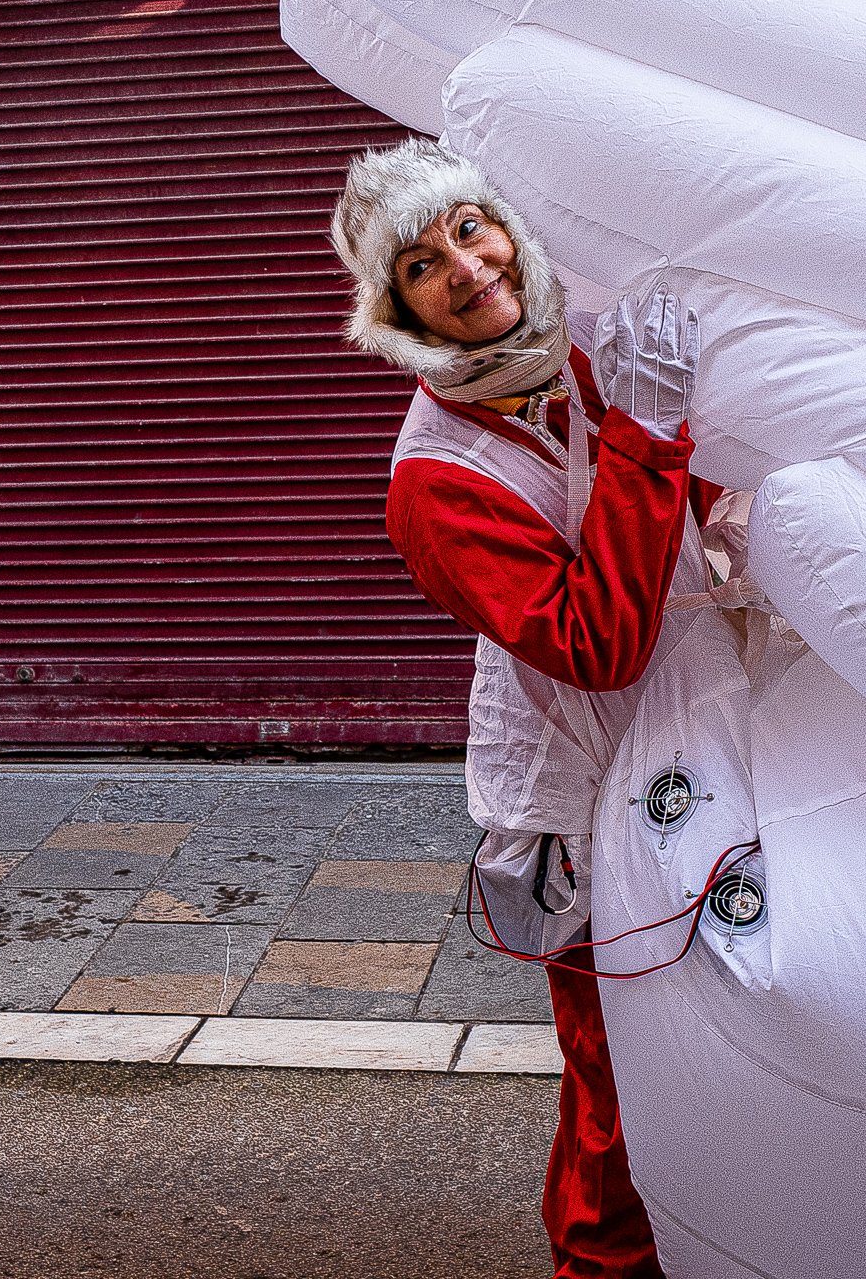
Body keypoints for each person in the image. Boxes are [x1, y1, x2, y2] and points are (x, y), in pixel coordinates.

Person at [332, 138, 726, 1279]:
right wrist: (650, 443)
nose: (463, 266)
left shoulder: (590, 355)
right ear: (396, 307)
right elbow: (596, 642)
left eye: (467, 226)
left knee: (722, 1038)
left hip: (709, 737)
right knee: (617, 1074)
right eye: (418, 264)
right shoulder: (433, 479)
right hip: (583, 795)